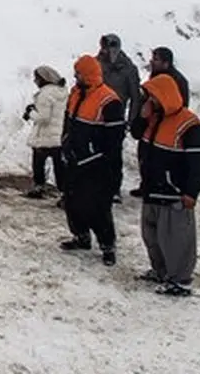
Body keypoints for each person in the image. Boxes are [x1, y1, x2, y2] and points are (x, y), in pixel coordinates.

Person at [134, 73, 200, 297]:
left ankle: (180, 280)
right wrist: (142, 116)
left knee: (175, 238)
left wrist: (191, 191)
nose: (148, 101)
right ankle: (161, 270)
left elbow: (198, 163)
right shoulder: (154, 118)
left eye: (151, 97)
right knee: (152, 235)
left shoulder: (189, 124)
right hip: (152, 188)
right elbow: (136, 133)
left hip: (174, 193)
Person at [59, 54, 126, 266]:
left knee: (98, 206)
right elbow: (68, 121)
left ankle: (108, 246)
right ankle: (81, 236)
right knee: (72, 201)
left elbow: (115, 140)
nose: (75, 76)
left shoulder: (109, 100)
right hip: (74, 158)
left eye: (78, 73)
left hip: (97, 163)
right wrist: (65, 142)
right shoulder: (76, 94)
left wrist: (111, 169)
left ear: (87, 74)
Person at [130, 46, 190, 198]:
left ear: (166, 63)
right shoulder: (155, 76)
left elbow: (180, 105)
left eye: (156, 59)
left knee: (159, 158)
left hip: (166, 124)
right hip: (150, 121)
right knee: (144, 154)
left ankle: (160, 186)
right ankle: (146, 185)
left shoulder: (178, 80)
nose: (151, 61)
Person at [98, 33, 141, 203]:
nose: (104, 50)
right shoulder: (97, 63)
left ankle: (114, 188)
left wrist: (131, 120)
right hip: (96, 116)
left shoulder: (128, 68)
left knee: (113, 155)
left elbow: (135, 96)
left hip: (116, 118)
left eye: (106, 47)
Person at [22, 65, 68, 199]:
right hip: (58, 134)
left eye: (36, 78)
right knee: (59, 166)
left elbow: (43, 117)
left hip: (45, 135)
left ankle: (39, 186)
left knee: (38, 162)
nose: (35, 81)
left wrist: (30, 112)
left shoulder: (45, 94)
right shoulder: (61, 92)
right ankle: (64, 193)